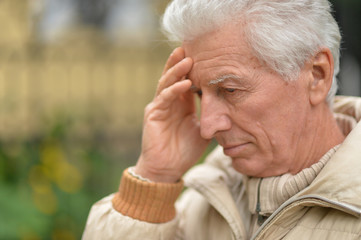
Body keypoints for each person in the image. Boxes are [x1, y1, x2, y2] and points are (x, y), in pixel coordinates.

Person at [82, 0, 361, 239]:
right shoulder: (203, 201)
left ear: (316, 75)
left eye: (229, 90)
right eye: (199, 94)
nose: (207, 127)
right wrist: (154, 178)